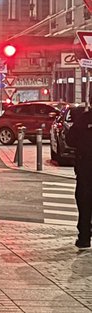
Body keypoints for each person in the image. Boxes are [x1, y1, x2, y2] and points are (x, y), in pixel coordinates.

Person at [67, 105, 92, 251]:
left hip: (85, 167)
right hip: (84, 167)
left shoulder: (83, 119)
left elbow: (70, 140)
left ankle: (84, 237)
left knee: (84, 201)